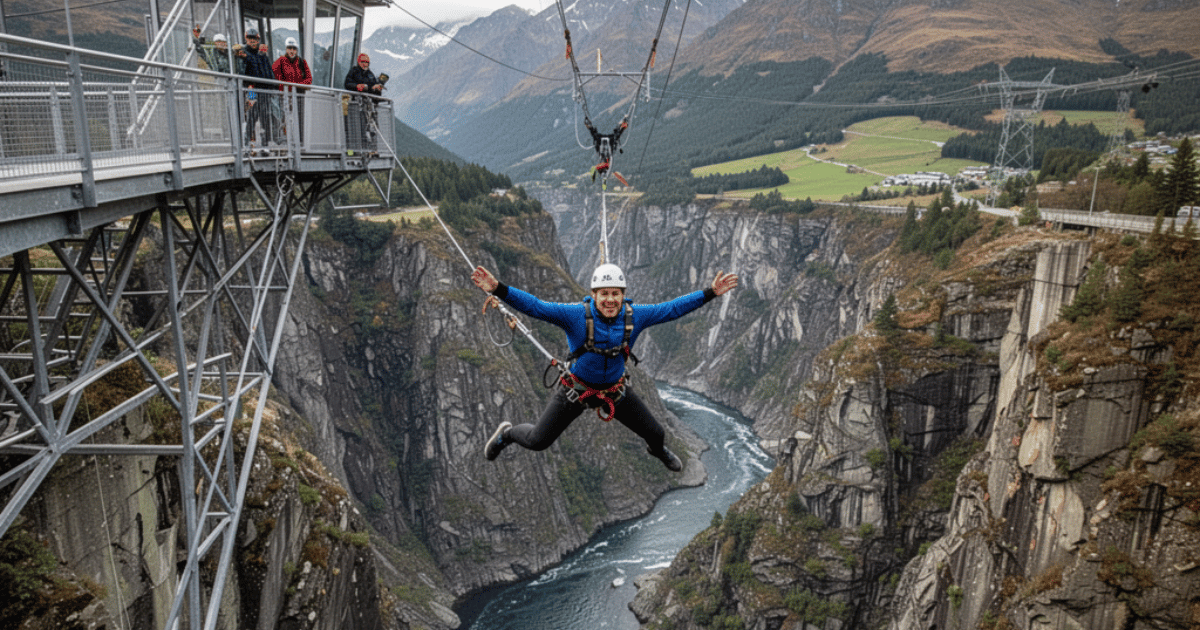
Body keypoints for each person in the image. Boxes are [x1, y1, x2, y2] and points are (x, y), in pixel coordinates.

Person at [472, 263, 739, 471]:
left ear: (623, 296)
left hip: (615, 392)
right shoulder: (575, 315)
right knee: (537, 441)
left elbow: (672, 309)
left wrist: (710, 293)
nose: (610, 300)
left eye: (615, 294)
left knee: (656, 434)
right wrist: (498, 289)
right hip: (575, 391)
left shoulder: (636, 316)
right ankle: (506, 435)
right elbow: (536, 307)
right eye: (604, 294)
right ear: (593, 295)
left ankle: (657, 452)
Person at [236, 27, 276, 147]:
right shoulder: (244, 54)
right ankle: (246, 140)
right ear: (246, 39)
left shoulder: (261, 54)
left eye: (255, 39)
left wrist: (273, 85)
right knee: (252, 113)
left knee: (265, 114)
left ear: (258, 40)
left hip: (265, 90)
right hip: (252, 89)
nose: (253, 41)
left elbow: (268, 71)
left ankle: (265, 141)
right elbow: (242, 72)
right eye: (250, 39)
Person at [273, 37, 312, 145]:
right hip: (284, 95)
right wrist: (282, 88)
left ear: (297, 50)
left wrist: (298, 86)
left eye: (294, 48)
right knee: (283, 118)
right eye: (289, 48)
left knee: (299, 119)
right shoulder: (280, 61)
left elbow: (309, 79)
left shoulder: (302, 63)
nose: (292, 51)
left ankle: (299, 140)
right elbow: (274, 76)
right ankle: (284, 139)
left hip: (298, 95)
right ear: (286, 49)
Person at [343, 53, 383, 153]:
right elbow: (347, 84)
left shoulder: (370, 74)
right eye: (363, 62)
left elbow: (375, 91)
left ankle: (371, 150)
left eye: (367, 62)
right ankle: (352, 152)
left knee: (371, 128)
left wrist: (377, 89)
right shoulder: (354, 71)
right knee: (355, 129)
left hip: (369, 106)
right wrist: (357, 86)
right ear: (359, 62)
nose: (365, 64)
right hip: (357, 105)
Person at [585, 117, 628, 184]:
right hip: (603, 140)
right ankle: (623, 124)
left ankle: (623, 124)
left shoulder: (606, 162)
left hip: (607, 141)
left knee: (617, 135)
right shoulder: (604, 160)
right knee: (615, 135)